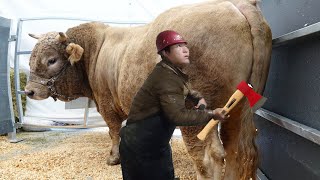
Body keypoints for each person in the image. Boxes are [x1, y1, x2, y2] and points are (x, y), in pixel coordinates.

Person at [119, 30, 229, 180]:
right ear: (165, 52)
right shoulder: (165, 78)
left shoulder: (173, 72)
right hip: (140, 146)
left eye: (185, 45)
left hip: (156, 143)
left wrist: (199, 99)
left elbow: (187, 89)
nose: (185, 50)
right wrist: (212, 114)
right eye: (177, 46)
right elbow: (177, 116)